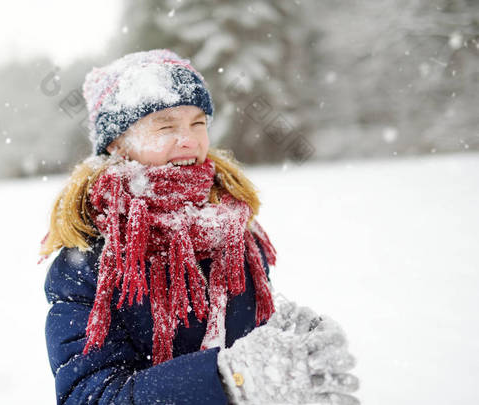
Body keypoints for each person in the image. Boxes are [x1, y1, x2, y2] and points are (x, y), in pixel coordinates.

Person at [38, 49, 360, 405]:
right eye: (166, 126)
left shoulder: (236, 232)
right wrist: (225, 379)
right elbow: (89, 396)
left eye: (198, 123)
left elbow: (247, 343)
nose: (189, 139)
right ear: (117, 144)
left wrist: (288, 362)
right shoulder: (85, 264)